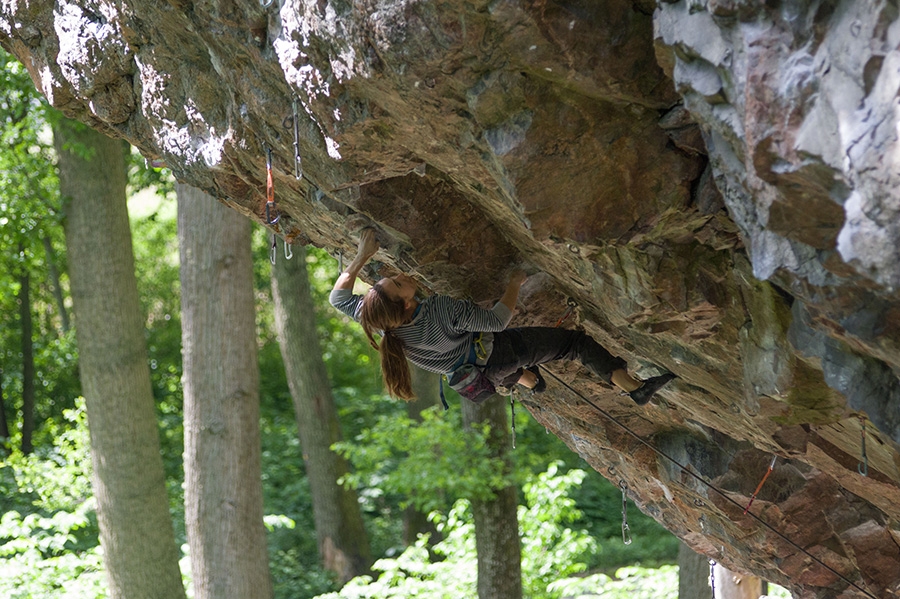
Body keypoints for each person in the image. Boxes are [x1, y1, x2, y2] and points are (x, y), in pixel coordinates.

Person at [330, 229, 675, 405]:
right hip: (496, 354)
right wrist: (515, 283)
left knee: (512, 368)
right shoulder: (439, 311)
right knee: (574, 343)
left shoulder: (382, 323)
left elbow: (338, 297)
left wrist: (362, 255)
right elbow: (497, 321)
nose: (403, 275)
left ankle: (531, 382)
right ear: (405, 304)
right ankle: (636, 390)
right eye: (400, 283)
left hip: (473, 374)